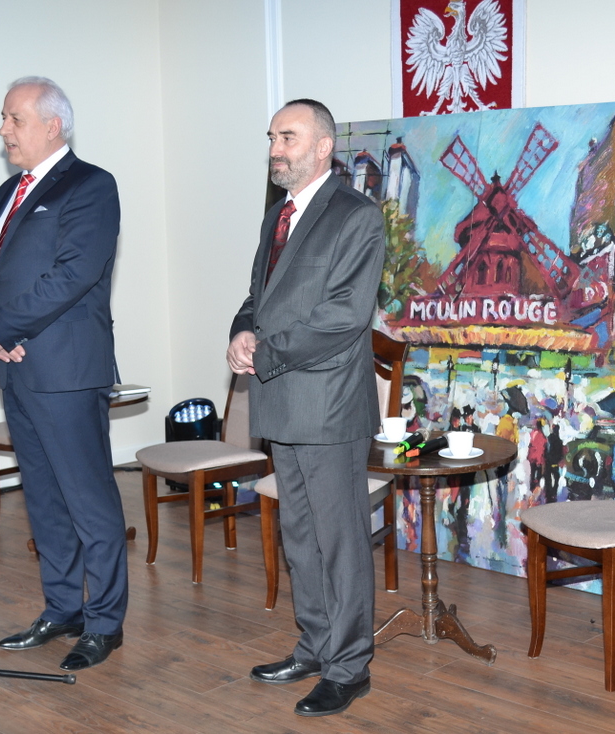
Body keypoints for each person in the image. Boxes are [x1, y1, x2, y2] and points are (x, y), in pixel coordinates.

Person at [226, 99, 384, 718]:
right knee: (300, 536)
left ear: (323, 147)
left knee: (340, 542)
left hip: (328, 405)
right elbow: (257, 296)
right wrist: (242, 331)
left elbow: (344, 316)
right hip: (281, 403)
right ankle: (315, 646)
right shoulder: (278, 215)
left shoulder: (356, 215)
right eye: (271, 137)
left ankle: (349, 668)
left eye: (287, 137)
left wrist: (265, 353)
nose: (275, 149)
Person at [0, 77, 127, 672]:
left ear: (52, 126)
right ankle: (63, 608)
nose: (3, 129)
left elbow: (73, 274)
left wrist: (3, 328)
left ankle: (104, 623)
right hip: (15, 369)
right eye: (4, 118)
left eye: (15, 119)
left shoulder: (91, 185)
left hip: (66, 369)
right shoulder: (7, 192)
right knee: (43, 498)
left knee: (89, 501)